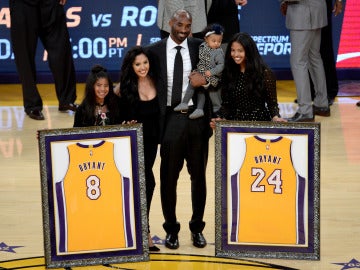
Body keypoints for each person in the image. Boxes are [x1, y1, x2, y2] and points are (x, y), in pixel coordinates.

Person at [146, 9, 212, 250]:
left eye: (188, 26)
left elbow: (217, 76)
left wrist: (205, 80)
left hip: (196, 118)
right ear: (170, 23)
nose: (184, 30)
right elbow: (139, 76)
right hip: (170, 120)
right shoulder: (153, 51)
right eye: (180, 25)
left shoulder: (200, 46)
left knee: (199, 179)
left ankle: (197, 229)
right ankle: (171, 229)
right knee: (168, 179)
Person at [116, 46, 160, 252]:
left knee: (145, 183)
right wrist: (124, 123)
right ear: (131, 66)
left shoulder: (157, 82)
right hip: (131, 144)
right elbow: (116, 118)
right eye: (137, 64)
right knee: (147, 183)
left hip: (151, 144)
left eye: (145, 63)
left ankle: (140, 230)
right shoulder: (123, 89)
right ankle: (144, 231)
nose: (142, 67)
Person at [9, 0, 78, 121]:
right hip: (22, 5)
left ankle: (66, 100)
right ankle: (32, 104)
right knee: (24, 55)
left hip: (51, 3)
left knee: (62, 49)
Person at [210, 32, 286, 127]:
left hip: (259, 124)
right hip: (234, 126)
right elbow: (226, 104)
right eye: (233, 50)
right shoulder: (228, 72)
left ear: (249, 51)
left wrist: (276, 117)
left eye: (240, 51)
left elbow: (272, 104)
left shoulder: (265, 73)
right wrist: (221, 120)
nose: (235, 54)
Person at [280, 0, 330, 122]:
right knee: (314, 57)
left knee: (298, 61)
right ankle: (321, 104)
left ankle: (305, 110)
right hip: (315, 11)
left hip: (302, 14)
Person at [174, 23, 225, 119]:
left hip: (213, 76)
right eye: (214, 41)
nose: (217, 43)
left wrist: (212, 72)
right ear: (206, 39)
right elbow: (200, 60)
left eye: (219, 41)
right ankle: (193, 106)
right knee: (196, 86)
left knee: (207, 91)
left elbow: (221, 66)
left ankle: (215, 109)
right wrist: (196, 71)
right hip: (202, 71)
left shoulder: (218, 52)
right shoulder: (202, 46)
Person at [207, 0, 248, 114]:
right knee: (213, 70)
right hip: (208, 25)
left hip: (227, 26)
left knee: (230, 70)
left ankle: (231, 108)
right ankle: (217, 109)